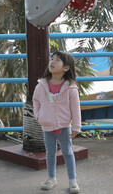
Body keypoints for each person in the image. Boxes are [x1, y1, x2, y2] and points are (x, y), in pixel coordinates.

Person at [32, 51, 82, 193]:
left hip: (64, 127)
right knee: (50, 153)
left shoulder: (71, 87)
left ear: (66, 68)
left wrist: (76, 126)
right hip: (47, 126)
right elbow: (35, 101)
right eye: (51, 59)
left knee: (67, 152)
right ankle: (51, 179)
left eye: (57, 60)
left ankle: (73, 181)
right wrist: (38, 116)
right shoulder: (41, 85)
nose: (52, 62)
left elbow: (75, 108)